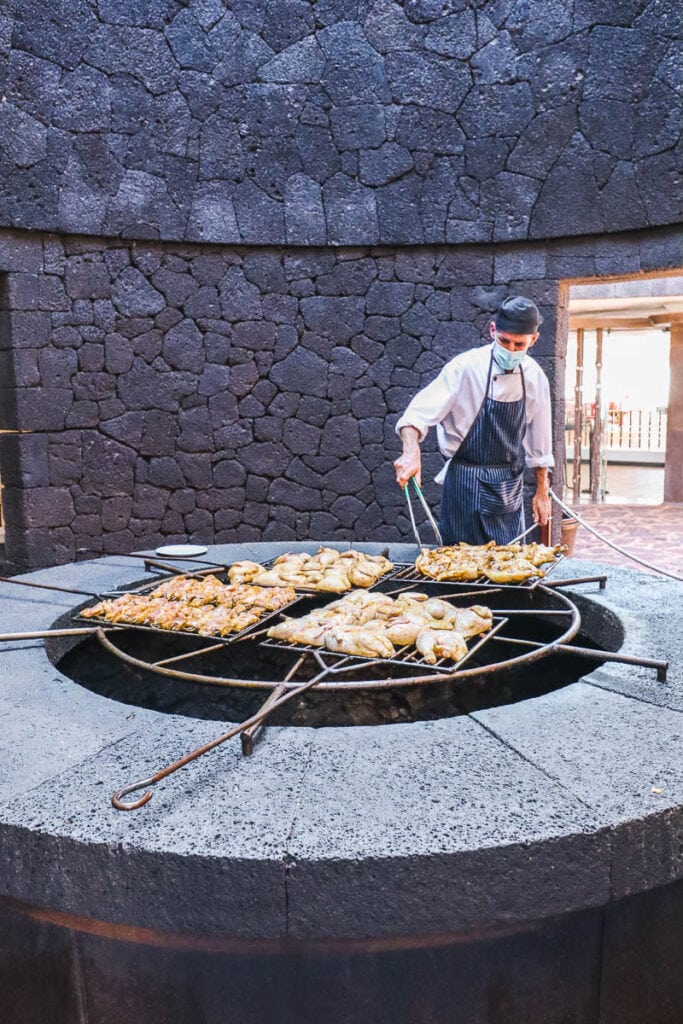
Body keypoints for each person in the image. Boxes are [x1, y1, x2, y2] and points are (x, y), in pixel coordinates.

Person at [393, 295, 553, 546]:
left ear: (533, 340)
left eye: (518, 345)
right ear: (492, 330)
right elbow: (416, 416)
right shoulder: (464, 368)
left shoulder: (535, 378)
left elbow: (540, 443)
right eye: (504, 341)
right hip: (463, 484)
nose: (510, 350)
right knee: (456, 567)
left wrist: (542, 492)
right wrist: (410, 451)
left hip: (507, 486)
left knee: (510, 568)